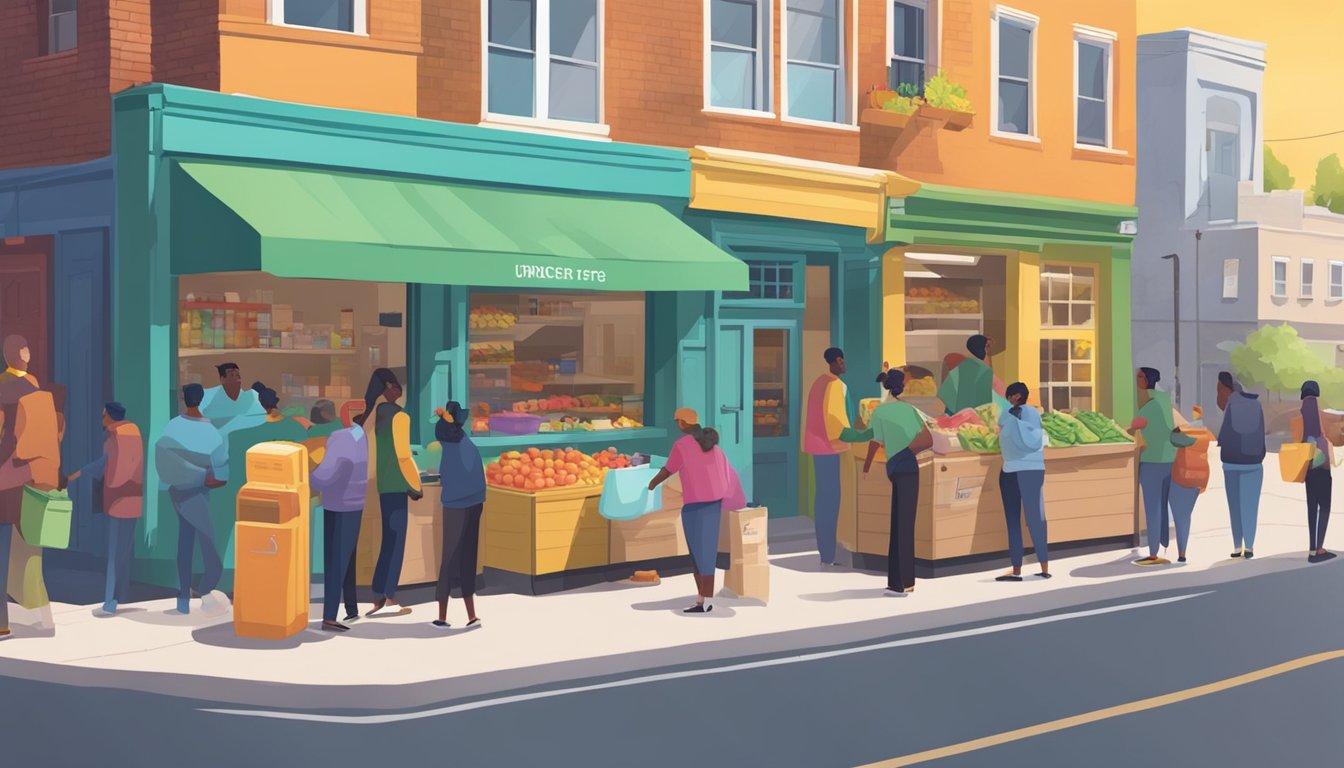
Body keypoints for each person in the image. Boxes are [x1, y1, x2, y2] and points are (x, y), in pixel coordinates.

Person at [649, 408, 746, 614]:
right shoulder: (713, 446)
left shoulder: (682, 445)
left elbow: (669, 469)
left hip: (694, 505)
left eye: (678, 422)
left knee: (697, 554)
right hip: (713, 503)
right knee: (707, 553)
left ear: (682, 423)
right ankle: (703, 598)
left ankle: (706, 601)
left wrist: (652, 483)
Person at [155, 384, 230, 616]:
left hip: (177, 492)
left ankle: (183, 598)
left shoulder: (172, 426)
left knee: (184, 543)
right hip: (199, 492)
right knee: (207, 542)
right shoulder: (213, 432)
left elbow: (163, 459)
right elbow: (221, 473)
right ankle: (207, 589)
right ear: (202, 399)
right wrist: (202, 474)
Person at [63, 402, 144, 616]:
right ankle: (123, 595)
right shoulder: (134, 432)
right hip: (134, 498)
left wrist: (75, 476)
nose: (101, 420)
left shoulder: (112, 436)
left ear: (109, 416)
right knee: (125, 551)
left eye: (103, 416)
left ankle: (110, 601)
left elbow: (104, 465)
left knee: (114, 552)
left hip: (117, 500)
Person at [863, 370, 933, 595]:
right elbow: (927, 438)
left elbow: (875, 441)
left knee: (897, 525)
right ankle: (905, 581)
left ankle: (896, 581)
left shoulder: (879, 412)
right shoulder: (909, 410)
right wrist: (907, 452)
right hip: (908, 467)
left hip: (893, 467)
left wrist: (866, 467)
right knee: (906, 526)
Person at [360, 368, 422, 616]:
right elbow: (403, 456)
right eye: (396, 385)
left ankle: (378, 594)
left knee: (388, 540)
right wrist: (414, 486)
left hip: (381, 483)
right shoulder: (398, 416)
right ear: (388, 388)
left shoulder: (373, 416)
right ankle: (388, 596)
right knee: (396, 542)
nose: (400, 389)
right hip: (397, 484)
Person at [802, 348, 871, 567]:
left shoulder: (818, 383)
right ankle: (828, 556)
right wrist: (867, 434)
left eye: (843, 359)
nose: (842, 364)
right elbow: (836, 425)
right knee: (830, 503)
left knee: (823, 501)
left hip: (817, 449)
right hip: (832, 450)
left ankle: (826, 554)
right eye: (839, 360)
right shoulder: (835, 386)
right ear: (832, 362)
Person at [309, 406, 369, 632]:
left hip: (337, 504)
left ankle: (337, 613)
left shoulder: (342, 438)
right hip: (354, 502)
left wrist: (307, 476)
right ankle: (341, 612)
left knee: (337, 559)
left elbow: (325, 476)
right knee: (346, 557)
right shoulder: (360, 436)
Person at [432, 402, 486, 629]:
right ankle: (471, 615)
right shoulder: (462, 439)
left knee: (450, 556)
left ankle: (443, 616)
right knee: (467, 557)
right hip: (475, 500)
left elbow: (442, 429)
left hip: (457, 503)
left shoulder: (447, 437)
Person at [0, 335, 40, 637]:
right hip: (19, 473)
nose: (28, 352)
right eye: (24, 348)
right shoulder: (30, 386)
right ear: (15, 353)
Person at [995, 382, 1050, 581]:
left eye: (1010, 396)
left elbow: (1000, 432)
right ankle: (1044, 567)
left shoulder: (1008, 415)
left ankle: (1017, 570)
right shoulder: (1035, 415)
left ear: (1016, 396)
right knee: (1037, 518)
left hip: (1012, 471)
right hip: (1035, 470)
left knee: (1013, 521)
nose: (1008, 399)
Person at [1130, 367, 1178, 566]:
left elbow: (1136, 424)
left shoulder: (1149, 405)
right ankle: (1163, 545)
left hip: (1152, 460)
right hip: (1169, 459)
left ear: (1147, 380)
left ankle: (1153, 553)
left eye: (1140, 376)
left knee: (1152, 507)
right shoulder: (1164, 401)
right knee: (1163, 504)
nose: (1137, 379)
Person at [1217, 371, 1266, 560]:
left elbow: (1223, 433)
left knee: (1234, 506)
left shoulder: (1230, 403)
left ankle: (1237, 546)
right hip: (1253, 463)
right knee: (1250, 506)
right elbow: (1261, 434)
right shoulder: (1256, 404)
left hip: (1230, 462)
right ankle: (1250, 547)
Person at [1296, 381, 1334, 562]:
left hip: (1310, 466)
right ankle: (1318, 549)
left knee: (1312, 507)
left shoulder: (1304, 406)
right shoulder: (1311, 404)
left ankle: (1313, 548)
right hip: (1319, 465)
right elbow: (1313, 435)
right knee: (1324, 506)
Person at [1168, 407, 1211, 564]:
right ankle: (1182, 551)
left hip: (1181, 480)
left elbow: (1172, 438)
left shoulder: (1184, 437)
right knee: (1185, 516)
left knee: (1180, 517)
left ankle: (1181, 552)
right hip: (1197, 481)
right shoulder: (1204, 436)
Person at [937, 335, 1008, 416]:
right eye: (987, 347)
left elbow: (946, 395)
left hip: (957, 415)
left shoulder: (960, 368)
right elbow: (992, 400)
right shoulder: (985, 371)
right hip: (975, 417)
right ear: (983, 348)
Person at [199, 363, 266, 437]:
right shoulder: (210, 398)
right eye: (232, 375)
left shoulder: (251, 397)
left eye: (237, 374)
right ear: (222, 379)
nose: (237, 378)